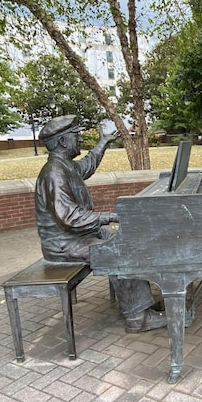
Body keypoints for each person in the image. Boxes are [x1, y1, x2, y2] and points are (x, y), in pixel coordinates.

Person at [35, 114, 167, 333]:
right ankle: (137, 318)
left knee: (124, 242)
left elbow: (87, 165)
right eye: (76, 135)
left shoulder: (65, 166)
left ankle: (141, 303)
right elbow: (70, 218)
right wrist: (110, 216)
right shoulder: (54, 174)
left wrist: (103, 142)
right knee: (115, 252)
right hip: (62, 244)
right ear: (62, 141)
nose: (79, 139)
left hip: (78, 237)